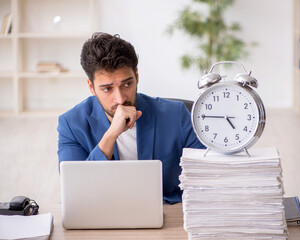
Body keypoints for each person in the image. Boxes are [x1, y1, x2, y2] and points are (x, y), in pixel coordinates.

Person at [57, 32, 205, 204]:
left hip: (167, 215)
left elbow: (207, 176)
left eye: (127, 84)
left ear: (137, 76)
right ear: (91, 86)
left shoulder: (176, 115)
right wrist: (111, 135)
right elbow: (77, 190)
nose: (120, 99)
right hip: (102, 218)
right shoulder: (71, 124)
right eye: (107, 89)